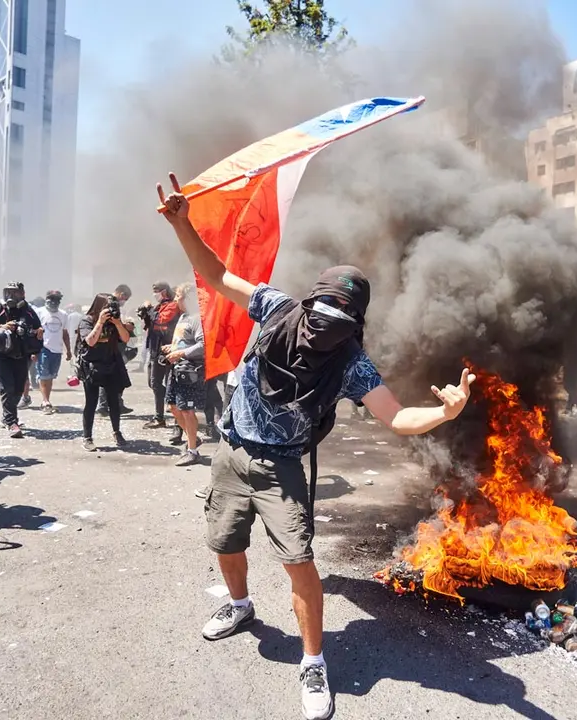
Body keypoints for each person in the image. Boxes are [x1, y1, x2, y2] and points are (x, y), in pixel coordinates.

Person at [157, 174, 475, 720]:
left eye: (342, 315)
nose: (328, 322)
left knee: (300, 563)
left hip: (284, 470)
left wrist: (446, 412)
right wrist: (183, 224)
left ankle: (312, 661)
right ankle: (239, 606)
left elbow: (395, 416)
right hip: (231, 454)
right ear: (311, 298)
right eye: (324, 307)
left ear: (356, 322)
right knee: (224, 543)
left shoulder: (351, 362)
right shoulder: (275, 308)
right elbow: (214, 274)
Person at [0, 282, 43, 439]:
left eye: (15, 293)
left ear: (22, 293)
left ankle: (7, 414)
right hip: (2, 356)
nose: (11, 296)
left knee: (18, 389)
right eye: (8, 292)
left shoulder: (28, 310)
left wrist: (38, 334)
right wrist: (3, 326)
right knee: (6, 388)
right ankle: (11, 422)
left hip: (22, 355)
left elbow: (38, 328)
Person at [77, 293, 132, 450]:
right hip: (91, 366)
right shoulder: (86, 321)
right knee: (91, 402)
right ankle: (87, 437)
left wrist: (118, 323)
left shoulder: (114, 321)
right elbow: (90, 341)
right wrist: (100, 322)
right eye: (107, 307)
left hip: (111, 364)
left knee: (114, 402)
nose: (110, 311)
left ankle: (117, 432)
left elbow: (126, 338)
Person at [163, 283, 205, 466]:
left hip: (188, 372)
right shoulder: (183, 318)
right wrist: (172, 348)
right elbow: (184, 342)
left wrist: (181, 353)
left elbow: (203, 345)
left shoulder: (197, 318)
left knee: (187, 411)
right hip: (176, 370)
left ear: (188, 298)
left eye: (178, 296)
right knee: (173, 407)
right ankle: (192, 439)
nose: (175, 299)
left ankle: (192, 451)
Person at [139, 281, 181, 430]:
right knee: (154, 384)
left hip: (166, 350)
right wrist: (145, 313)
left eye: (156, 290)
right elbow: (149, 323)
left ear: (164, 291)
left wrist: (149, 309)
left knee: (167, 384)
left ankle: (164, 417)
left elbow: (161, 319)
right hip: (154, 349)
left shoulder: (172, 305)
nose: (154, 293)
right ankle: (166, 409)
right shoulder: (158, 307)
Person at [96, 284, 135, 416]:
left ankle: (117, 403)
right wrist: (124, 326)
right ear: (120, 293)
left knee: (118, 376)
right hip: (109, 346)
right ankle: (102, 406)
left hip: (116, 345)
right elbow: (110, 322)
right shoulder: (109, 302)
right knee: (107, 376)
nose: (125, 300)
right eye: (125, 297)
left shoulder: (114, 304)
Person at [35, 290, 72, 414]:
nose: (54, 301)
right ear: (47, 299)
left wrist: (69, 350)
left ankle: (47, 399)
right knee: (43, 375)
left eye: (56, 299)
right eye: (51, 298)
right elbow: (34, 331)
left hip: (57, 350)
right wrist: (33, 351)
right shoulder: (39, 312)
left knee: (50, 376)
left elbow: (65, 333)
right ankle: (45, 401)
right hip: (43, 348)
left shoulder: (63, 314)